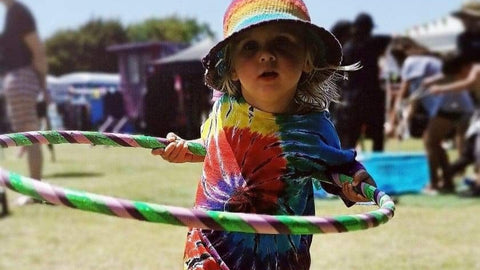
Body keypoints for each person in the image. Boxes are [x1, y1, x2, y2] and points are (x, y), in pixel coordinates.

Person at [152, 0, 376, 269]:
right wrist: (187, 149)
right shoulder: (225, 109)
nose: (266, 55)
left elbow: (340, 171)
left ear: (307, 58)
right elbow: (214, 146)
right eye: (250, 46)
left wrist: (356, 184)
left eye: (282, 43)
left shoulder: (313, 129)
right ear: (231, 67)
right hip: (209, 252)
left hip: (276, 261)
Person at [0, 0, 48, 205]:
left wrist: (44, 86)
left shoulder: (18, 12)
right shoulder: (13, 13)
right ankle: (35, 187)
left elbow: (37, 50)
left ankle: (36, 191)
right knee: (27, 135)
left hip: (22, 77)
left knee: (30, 135)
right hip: (17, 78)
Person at [335, 13, 391, 151]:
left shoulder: (347, 49)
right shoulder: (374, 44)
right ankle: (378, 169)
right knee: (377, 137)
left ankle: (348, 167)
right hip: (372, 97)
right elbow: (390, 39)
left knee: (350, 138)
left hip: (352, 98)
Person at [429, 61, 480, 196]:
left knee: (474, 154)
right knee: (468, 155)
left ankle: (447, 180)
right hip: (476, 115)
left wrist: (441, 89)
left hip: (472, 115)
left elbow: (468, 83)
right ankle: (446, 180)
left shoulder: (477, 69)